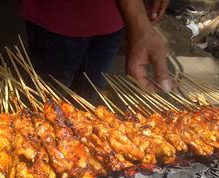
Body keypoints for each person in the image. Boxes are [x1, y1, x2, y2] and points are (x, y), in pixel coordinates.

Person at [18, 0, 172, 103]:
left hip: (112, 17)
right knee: (48, 98)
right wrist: (138, 21)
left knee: (88, 96)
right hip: (56, 17)